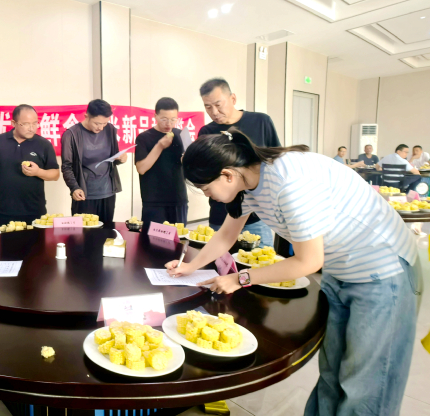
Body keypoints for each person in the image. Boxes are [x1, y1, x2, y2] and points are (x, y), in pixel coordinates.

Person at [167, 129, 420, 416]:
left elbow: (308, 262)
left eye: (205, 188)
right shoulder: (248, 183)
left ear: (227, 175)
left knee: (366, 386)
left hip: (382, 271)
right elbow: (227, 235)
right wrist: (190, 266)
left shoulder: (288, 183)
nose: (207, 195)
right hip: (341, 270)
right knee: (332, 374)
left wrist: (240, 279)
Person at [197, 78, 280, 246]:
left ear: (233, 99)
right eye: (208, 107)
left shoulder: (261, 122)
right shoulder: (206, 132)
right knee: (220, 261)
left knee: (260, 259)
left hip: (257, 214)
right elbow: (206, 175)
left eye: (218, 104)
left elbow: (276, 161)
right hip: (221, 214)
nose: (214, 112)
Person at [0, 104, 59, 227]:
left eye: (35, 123)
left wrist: (38, 172)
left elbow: (55, 174)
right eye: (26, 124)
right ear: (14, 123)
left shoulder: (44, 144)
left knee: (37, 240)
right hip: (5, 211)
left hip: (35, 212)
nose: (31, 128)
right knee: (4, 240)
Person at [61, 99, 127, 227]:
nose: (101, 128)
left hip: (108, 192)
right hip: (84, 194)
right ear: (86, 116)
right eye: (97, 123)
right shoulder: (71, 134)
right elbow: (66, 166)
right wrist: (74, 188)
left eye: (104, 123)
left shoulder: (110, 129)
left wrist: (121, 159)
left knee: (106, 231)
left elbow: (113, 157)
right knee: (84, 234)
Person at [135, 97, 190, 229]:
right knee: (152, 240)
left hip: (178, 199)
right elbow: (141, 168)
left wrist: (187, 159)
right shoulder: (144, 138)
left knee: (178, 239)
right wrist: (160, 146)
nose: (169, 124)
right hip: (154, 202)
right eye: (164, 119)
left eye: (173, 119)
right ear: (155, 116)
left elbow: (192, 164)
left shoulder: (182, 134)